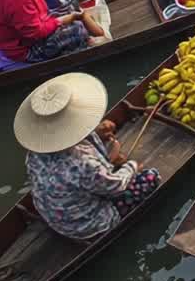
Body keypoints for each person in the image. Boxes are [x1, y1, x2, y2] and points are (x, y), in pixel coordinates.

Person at [16, 72, 161, 240]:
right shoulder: (82, 162)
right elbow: (115, 187)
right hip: (90, 225)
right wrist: (132, 166)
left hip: (55, 218)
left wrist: (97, 134)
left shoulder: (34, 153)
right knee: (151, 177)